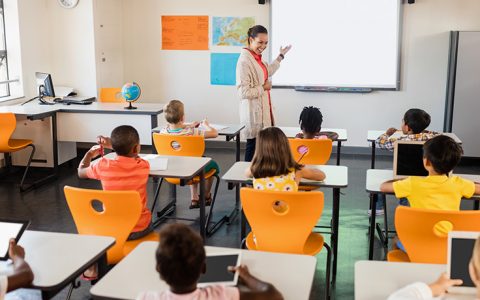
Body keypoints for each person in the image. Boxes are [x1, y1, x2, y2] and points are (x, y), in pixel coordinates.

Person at [380, 135, 480, 252]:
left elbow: (383, 187)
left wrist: (403, 180)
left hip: (418, 244)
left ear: (426, 161)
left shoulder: (412, 183)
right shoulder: (459, 183)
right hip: (449, 246)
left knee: (396, 239)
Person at [78, 125, 153, 279]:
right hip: (138, 229)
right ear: (137, 148)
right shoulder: (143, 166)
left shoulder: (102, 165)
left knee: (94, 227)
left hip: (110, 230)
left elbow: (81, 172)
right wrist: (114, 144)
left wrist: (89, 154)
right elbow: (132, 154)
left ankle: (93, 267)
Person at [136, 224, 283, 300]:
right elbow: (273, 296)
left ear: (159, 269)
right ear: (203, 268)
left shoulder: (145, 298)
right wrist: (246, 275)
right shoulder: (222, 295)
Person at [236, 25, 292, 162]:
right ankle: (247, 180)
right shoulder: (244, 61)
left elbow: (269, 70)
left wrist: (281, 56)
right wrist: (264, 87)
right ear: (251, 40)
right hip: (253, 114)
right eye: (260, 42)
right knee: (253, 148)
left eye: (266, 42)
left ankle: (258, 178)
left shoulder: (257, 59)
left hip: (262, 112)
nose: (263, 46)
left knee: (261, 150)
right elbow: (243, 92)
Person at [372, 108, 438, 216]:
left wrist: (387, 134)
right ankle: (406, 206)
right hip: (427, 176)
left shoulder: (398, 140)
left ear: (407, 127)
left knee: (377, 177)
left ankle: (378, 208)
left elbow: (379, 143)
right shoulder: (433, 139)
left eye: (403, 121)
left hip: (402, 177)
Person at [159, 100, 220, 209]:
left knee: (191, 159)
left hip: (170, 170)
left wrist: (187, 125)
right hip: (191, 169)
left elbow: (176, 127)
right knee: (211, 164)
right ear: (182, 118)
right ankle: (206, 196)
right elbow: (214, 133)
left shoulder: (163, 132)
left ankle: (194, 198)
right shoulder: (191, 132)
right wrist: (206, 125)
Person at [387, 236, 480, 299]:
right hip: (442, 251)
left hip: (421, 251)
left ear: (473, 271)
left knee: (401, 239)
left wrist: (433, 288)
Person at [245, 127, 326, 191]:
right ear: (286, 147)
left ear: (259, 150)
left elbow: (247, 173)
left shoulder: (254, 170)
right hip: (290, 211)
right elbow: (322, 176)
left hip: (261, 212)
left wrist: (256, 159)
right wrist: (301, 166)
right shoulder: (297, 170)